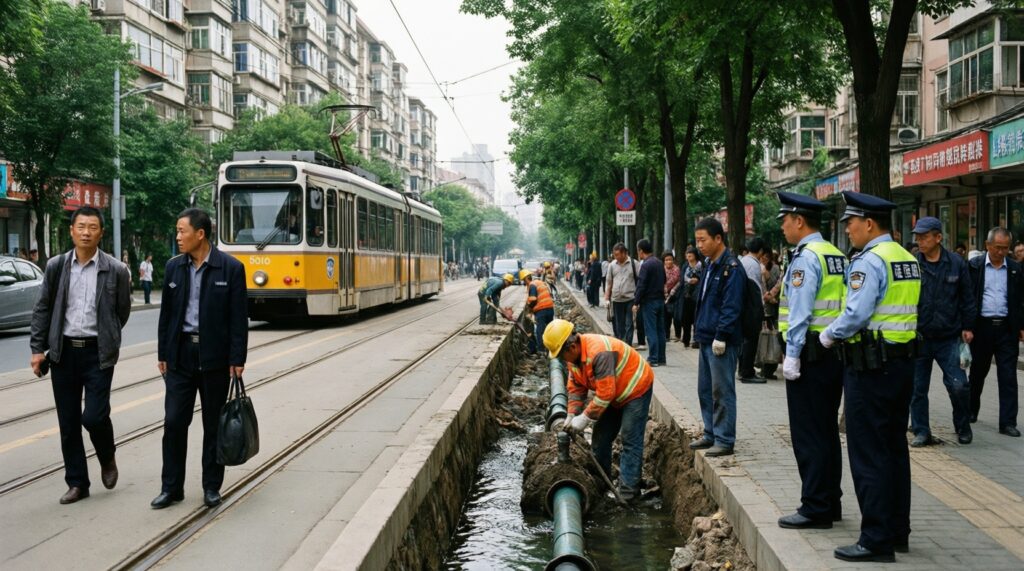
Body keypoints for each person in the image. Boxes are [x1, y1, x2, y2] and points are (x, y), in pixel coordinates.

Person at [818, 192, 920, 562]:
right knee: (894, 449)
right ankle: (897, 531)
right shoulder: (907, 259)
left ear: (870, 224)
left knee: (868, 453)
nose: (848, 227)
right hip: (902, 364)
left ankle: (875, 539)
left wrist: (828, 335)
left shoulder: (868, 262)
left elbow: (856, 313)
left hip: (871, 368)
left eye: (851, 221)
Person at [29, 206, 131, 504]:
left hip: (98, 352)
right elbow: (43, 308)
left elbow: (121, 312)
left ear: (101, 232)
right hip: (63, 353)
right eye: (81, 226)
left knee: (94, 416)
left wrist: (108, 333)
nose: (86, 232)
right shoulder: (57, 266)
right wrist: (37, 349)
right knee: (69, 421)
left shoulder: (115, 269)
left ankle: (107, 455)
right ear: (72, 230)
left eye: (93, 227)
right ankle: (77, 482)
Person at [153, 208, 248, 509]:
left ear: (200, 234)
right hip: (180, 355)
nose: (178, 236)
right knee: (174, 422)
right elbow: (166, 316)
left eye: (182, 231)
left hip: (215, 358)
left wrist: (237, 358)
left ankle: (211, 486)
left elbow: (238, 319)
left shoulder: (230, 268)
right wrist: (163, 353)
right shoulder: (173, 268)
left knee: (212, 424)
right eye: (177, 231)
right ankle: (171, 488)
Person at [774, 192, 846, 531]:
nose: (783, 227)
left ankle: (815, 506)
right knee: (827, 430)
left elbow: (800, 313)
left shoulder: (805, 257)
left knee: (808, 434)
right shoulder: (836, 254)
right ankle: (830, 501)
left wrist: (791, 356)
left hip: (809, 356)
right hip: (832, 355)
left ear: (799, 221)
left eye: (785, 221)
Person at [543, 319, 654, 501]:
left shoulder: (598, 353)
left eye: (561, 356)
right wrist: (571, 414)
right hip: (614, 393)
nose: (562, 361)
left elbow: (604, 395)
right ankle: (602, 484)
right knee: (600, 437)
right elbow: (576, 388)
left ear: (571, 347)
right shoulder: (574, 358)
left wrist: (584, 418)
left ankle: (628, 493)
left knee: (629, 439)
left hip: (636, 388)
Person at [909, 217, 976, 446]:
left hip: (949, 337)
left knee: (959, 385)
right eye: (917, 236)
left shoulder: (956, 263)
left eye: (924, 236)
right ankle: (921, 430)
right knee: (917, 388)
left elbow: (967, 298)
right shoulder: (913, 264)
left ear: (938, 237)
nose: (920, 241)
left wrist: (968, 327)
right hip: (920, 337)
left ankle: (963, 426)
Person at [689, 218, 745, 457]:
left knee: (722, 390)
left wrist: (721, 335)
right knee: (705, 389)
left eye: (703, 240)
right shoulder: (709, 265)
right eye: (697, 240)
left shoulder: (731, 268)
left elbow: (731, 307)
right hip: (705, 337)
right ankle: (710, 432)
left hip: (721, 341)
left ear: (718, 238)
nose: (699, 245)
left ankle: (724, 438)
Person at [967, 227, 1023, 437]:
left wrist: (1021, 326)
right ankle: (971, 410)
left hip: (1007, 330)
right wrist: (967, 326)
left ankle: (1008, 422)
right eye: (997, 247)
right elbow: (968, 297)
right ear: (987, 246)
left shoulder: (1016, 269)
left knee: (1008, 376)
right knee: (977, 373)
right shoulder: (975, 267)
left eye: (1005, 248)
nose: (1001, 252)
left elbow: (1020, 300)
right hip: (982, 328)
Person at [738, 237, 768, 383]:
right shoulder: (754, 264)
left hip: (743, 307)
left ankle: (742, 368)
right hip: (751, 308)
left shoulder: (743, 260)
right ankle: (747, 372)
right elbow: (755, 288)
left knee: (744, 340)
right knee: (751, 340)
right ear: (761, 251)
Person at [634, 239, 666, 366]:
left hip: (649, 302)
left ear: (641, 251)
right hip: (660, 300)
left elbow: (641, 285)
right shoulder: (659, 262)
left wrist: (636, 302)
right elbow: (664, 279)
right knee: (660, 330)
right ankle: (661, 358)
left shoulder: (645, 265)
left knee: (651, 330)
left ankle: (653, 358)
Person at [605, 243, 639, 345]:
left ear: (624, 253)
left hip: (630, 299)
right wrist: (607, 298)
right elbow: (609, 283)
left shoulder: (634, 264)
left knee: (629, 323)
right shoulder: (612, 265)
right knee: (619, 324)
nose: (616, 257)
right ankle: (621, 343)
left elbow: (640, 281)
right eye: (614, 255)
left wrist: (638, 300)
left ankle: (628, 343)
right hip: (616, 299)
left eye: (618, 254)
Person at [520, 269, 555, 355]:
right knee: (550, 329)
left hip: (541, 310)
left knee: (540, 331)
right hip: (550, 308)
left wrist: (529, 309)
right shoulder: (539, 282)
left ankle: (541, 351)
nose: (524, 284)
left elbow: (533, 300)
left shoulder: (532, 285)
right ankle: (553, 348)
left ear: (526, 279)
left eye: (524, 281)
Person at [760, 249, 781, 380]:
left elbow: (780, 284)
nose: (764, 259)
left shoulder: (776, 269)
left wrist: (772, 296)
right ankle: (763, 365)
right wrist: (766, 295)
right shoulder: (758, 268)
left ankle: (770, 365)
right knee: (763, 337)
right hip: (764, 307)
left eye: (767, 257)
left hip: (774, 307)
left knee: (772, 337)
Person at [681, 248, 702, 348]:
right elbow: (682, 279)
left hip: (697, 296)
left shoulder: (701, 265)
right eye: (687, 254)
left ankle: (696, 340)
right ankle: (686, 340)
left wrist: (697, 280)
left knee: (697, 319)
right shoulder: (685, 266)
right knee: (686, 320)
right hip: (687, 295)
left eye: (690, 254)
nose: (688, 256)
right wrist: (689, 281)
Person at [663, 251, 683, 341]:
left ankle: (677, 335)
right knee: (666, 317)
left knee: (676, 317)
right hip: (665, 296)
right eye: (666, 260)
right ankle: (666, 335)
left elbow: (679, 281)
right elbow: (661, 281)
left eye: (670, 259)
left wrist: (674, 289)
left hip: (675, 296)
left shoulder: (677, 269)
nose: (668, 262)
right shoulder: (662, 270)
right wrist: (665, 291)